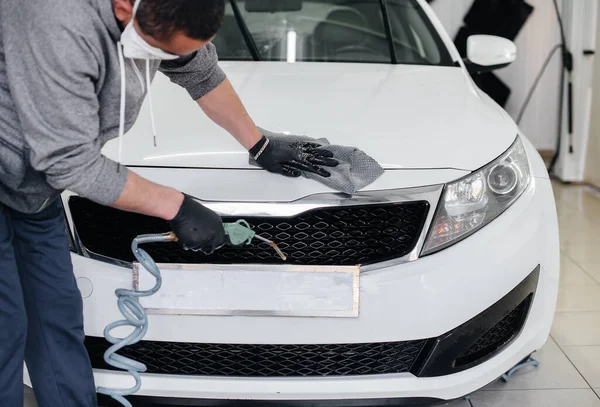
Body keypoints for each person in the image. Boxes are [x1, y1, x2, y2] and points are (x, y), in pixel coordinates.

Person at [0, 0, 338, 405]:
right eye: (164, 52)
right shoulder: (56, 23)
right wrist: (176, 206)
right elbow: (67, 163)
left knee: (57, 318)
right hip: (19, 172)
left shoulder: (164, 12)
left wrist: (259, 143)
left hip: (33, 195)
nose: (172, 61)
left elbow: (200, 71)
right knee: (5, 329)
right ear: (125, 6)